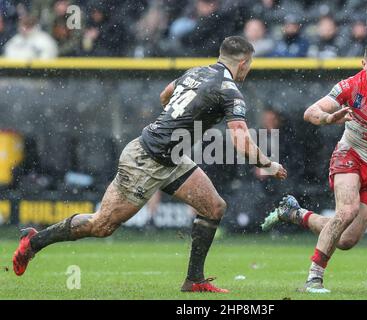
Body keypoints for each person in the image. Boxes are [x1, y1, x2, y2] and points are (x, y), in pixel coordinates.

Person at [12, 36, 287, 293]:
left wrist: (177, 119)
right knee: (101, 226)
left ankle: (194, 280)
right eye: (248, 65)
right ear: (243, 63)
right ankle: (34, 241)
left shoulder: (195, 71)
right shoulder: (231, 91)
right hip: (145, 160)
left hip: (171, 156)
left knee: (214, 207)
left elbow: (164, 95)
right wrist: (269, 164)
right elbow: (240, 139)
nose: (247, 71)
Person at [261, 40, 367, 293]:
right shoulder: (350, 86)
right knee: (347, 211)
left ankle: (294, 213)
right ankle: (314, 278)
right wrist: (329, 118)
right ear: (364, 64)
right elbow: (311, 111)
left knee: (347, 239)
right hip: (349, 152)